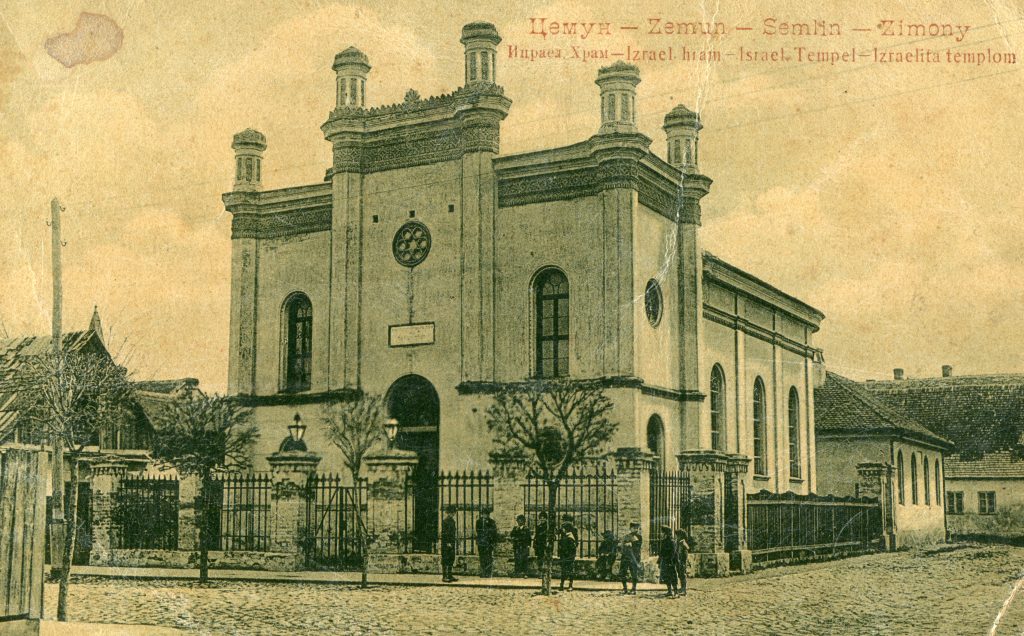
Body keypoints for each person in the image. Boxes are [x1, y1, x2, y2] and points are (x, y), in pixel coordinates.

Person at [619, 521, 643, 595]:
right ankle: (624, 588)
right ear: (630, 528)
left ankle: (634, 588)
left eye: (637, 528)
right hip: (625, 557)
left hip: (634, 558)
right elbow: (622, 546)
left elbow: (638, 546)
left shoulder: (639, 537)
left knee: (634, 573)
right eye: (634, 528)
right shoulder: (626, 536)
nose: (636, 530)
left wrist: (632, 543)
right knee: (622, 573)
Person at [557, 516, 579, 592]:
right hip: (564, 554)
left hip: (569, 555)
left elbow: (575, 545)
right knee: (563, 569)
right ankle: (562, 584)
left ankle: (570, 585)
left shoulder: (571, 536)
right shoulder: (564, 534)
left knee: (569, 569)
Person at [475, 506, 498, 578]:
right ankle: (483, 572)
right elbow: (478, 531)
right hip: (481, 543)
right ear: (482, 514)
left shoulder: (492, 522)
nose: (485, 515)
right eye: (484, 514)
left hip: (488, 543)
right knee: (482, 557)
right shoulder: (478, 522)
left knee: (488, 557)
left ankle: (488, 572)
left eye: (487, 514)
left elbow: (494, 532)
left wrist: (493, 542)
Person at [657, 525, 679, 598]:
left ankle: (676, 592)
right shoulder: (663, 541)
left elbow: (673, 553)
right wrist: (659, 561)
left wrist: (670, 561)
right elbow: (661, 552)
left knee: (672, 576)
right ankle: (669, 591)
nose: (661, 534)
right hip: (664, 561)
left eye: (662, 532)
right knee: (666, 576)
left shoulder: (672, 541)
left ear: (666, 533)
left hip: (670, 561)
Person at [441, 505, 458, 583]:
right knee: (445, 559)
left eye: (453, 512)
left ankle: (450, 575)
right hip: (446, 543)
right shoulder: (445, 521)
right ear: (448, 513)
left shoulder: (452, 521)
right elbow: (444, 533)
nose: (453, 514)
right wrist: (448, 542)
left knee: (451, 558)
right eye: (452, 513)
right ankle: (445, 576)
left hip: (451, 542)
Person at [675, 529, 691, 596]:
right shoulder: (679, 542)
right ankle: (682, 588)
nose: (676, 537)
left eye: (677, 535)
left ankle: (684, 590)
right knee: (680, 575)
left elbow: (685, 554)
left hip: (682, 562)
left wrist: (683, 561)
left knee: (683, 575)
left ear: (681, 535)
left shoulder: (682, 543)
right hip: (680, 561)